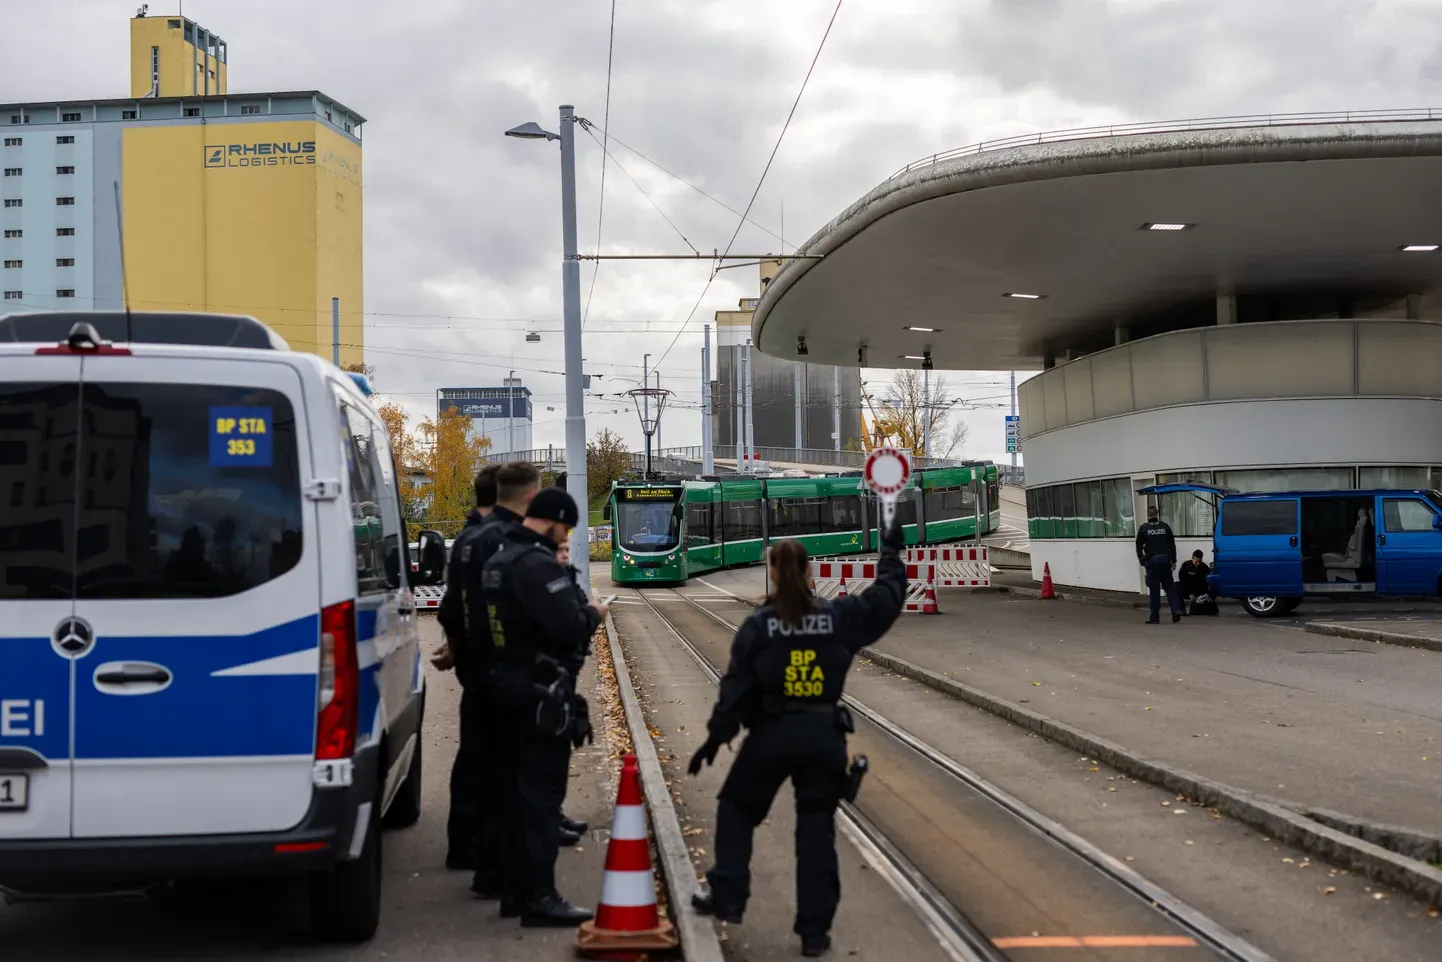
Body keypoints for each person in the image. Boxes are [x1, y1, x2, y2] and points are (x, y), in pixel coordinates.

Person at [687, 512, 907, 958]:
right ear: (811, 573)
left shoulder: (759, 626)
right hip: (823, 737)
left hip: (771, 735)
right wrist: (890, 549)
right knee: (815, 831)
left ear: (771, 572)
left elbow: (736, 689)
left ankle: (728, 895)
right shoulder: (838, 617)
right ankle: (814, 932)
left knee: (737, 808)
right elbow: (886, 598)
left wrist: (716, 737)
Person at [483, 487, 608, 926]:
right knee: (540, 800)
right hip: (539, 694)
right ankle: (539, 897)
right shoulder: (536, 567)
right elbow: (568, 626)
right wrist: (594, 613)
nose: (565, 535)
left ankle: (514, 892)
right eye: (566, 527)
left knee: (514, 796)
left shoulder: (499, 561)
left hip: (504, 689)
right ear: (552, 519)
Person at [435, 464, 499, 872]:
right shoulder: (491, 540)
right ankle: (477, 846)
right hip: (490, 662)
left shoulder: (466, 537)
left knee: (476, 752)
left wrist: (455, 648)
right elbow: (458, 605)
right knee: (487, 754)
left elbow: (451, 605)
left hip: (475, 660)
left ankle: (468, 842)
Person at [1136, 504, 1181, 624]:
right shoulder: (1165, 526)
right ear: (1157, 515)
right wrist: (1174, 560)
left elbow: (1139, 545)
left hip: (1152, 561)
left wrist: (1142, 559)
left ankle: (1154, 617)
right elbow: (1172, 544)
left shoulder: (1144, 528)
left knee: (1154, 589)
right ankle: (1176, 610)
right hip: (1165, 559)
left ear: (1148, 515)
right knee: (1169, 587)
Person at [1178, 550, 1217, 616]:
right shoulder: (1185, 566)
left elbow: (1206, 583)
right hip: (1187, 590)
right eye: (1196, 561)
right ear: (1192, 558)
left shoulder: (1204, 568)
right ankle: (1181, 610)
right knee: (1176, 588)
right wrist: (1190, 593)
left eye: (1200, 561)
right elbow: (1182, 580)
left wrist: (1202, 596)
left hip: (1199, 592)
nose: (1198, 563)